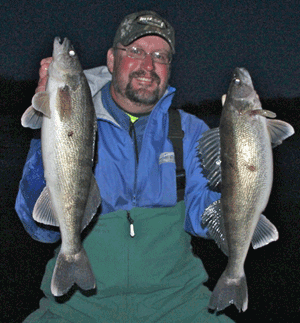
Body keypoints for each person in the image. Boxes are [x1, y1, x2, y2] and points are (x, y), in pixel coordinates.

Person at [16, 11, 233, 323]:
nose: (148, 65)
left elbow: (204, 216)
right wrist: (45, 118)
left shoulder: (189, 131)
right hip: (77, 310)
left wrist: (243, 188)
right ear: (111, 59)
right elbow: (39, 229)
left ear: (169, 67)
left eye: (160, 56)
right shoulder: (74, 118)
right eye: (135, 52)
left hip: (179, 305)